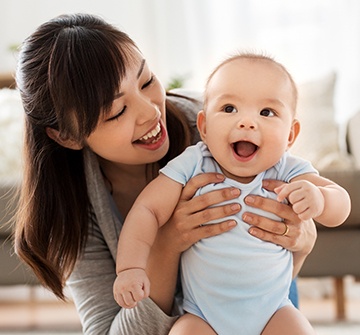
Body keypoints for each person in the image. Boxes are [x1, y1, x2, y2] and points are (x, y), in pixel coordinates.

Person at [13, 13, 318, 335]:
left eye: (146, 81)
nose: (150, 111)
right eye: (117, 111)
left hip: (266, 301)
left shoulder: (225, 127)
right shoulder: (71, 206)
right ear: (66, 136)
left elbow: (291, 234)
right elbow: (109, 332)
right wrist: (166, 245)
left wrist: (302, 240)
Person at [113, 53, 351, 334]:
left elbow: (341, 204)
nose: (247, 122)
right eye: (229, 109)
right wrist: (129, 268)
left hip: (274, 311)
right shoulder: (194, 162)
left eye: (266, 112)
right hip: (203, 316)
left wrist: (321, 199)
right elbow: (147, 210)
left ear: (290, 135)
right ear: (203, 126)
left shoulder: (288, 170)